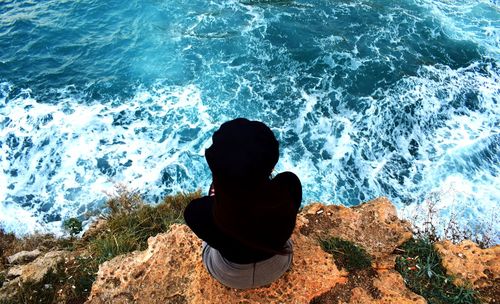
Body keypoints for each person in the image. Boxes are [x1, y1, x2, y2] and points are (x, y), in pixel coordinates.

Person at [183, 118, 302, 289]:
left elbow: (202, 219)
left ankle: (218, 195)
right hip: (277, 264)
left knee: (213, 230)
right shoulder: (289, 188)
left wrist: (221, 195)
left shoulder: (198, 213)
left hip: (230, 275)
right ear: (271, 164)